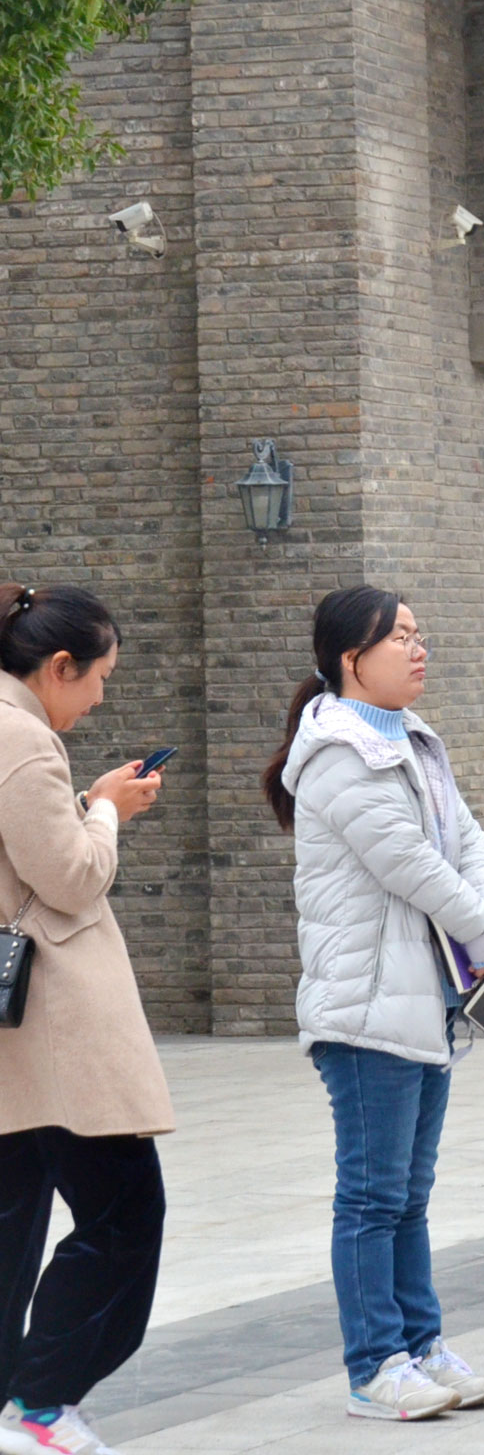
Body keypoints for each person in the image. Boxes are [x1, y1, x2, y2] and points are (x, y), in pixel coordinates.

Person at [266, 586, 484, 1423]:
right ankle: (375, 1365)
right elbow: (408, 861)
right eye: (400, 637)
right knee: (373, 1198)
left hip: (424, 1002)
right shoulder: (338, 753)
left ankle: (422, 1345)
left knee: (408, 1195)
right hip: (366, 1009)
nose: (418, 649)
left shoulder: (412, 737)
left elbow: (469, 842)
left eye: (419, 634)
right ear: (351, 659)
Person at [0, 587, 170, 1455]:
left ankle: (26, 1404)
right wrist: (107, 810)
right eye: (99, 677)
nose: (101, 697)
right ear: (58, 667)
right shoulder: (24, 739)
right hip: (53, 1024)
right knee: (125, 1214)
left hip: (19, 1035)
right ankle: (42, 1400)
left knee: (15, 1222)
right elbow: (69, 879)